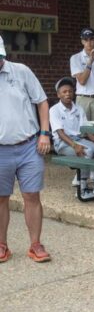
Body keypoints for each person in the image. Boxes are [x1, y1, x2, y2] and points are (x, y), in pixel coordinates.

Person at [0, 35, 51, 263]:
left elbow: (42, 102)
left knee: (32, 195)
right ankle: (2, 245)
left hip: (29, 145)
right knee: (1, 198)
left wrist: (44, 133)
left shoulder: (21, 71)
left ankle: (35, 244)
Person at [49, 77, 94, 199]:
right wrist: (74, 145)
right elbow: (60, 133)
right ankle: (82, 188)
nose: (68, 94)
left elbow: (85, 129)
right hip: (62, 143)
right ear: (58, 94)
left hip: (78, 138)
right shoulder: (54, 110)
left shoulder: (79, 108)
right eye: (64, 92)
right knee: (87, 152)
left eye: (70, 91)